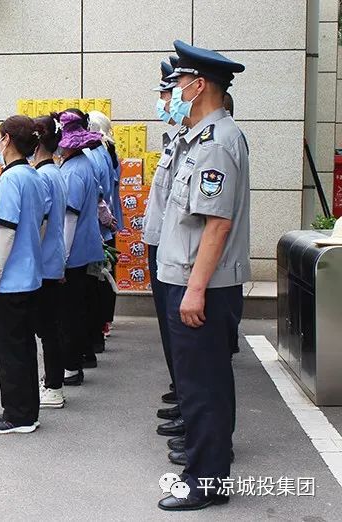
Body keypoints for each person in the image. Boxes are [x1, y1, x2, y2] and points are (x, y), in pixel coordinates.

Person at [155, 40, 248, 512]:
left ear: (201, 85)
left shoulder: (217, 142)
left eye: (179, 82)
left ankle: (206, 482)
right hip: (191, 280)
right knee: (199, 384)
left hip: (203, 285)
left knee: (203, 387)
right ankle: (207, 469)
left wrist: (194, 291)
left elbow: (217, 224)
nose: (174, 90)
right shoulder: (199, 138)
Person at [0, 115, 50, 434]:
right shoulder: (33, 176)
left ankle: (17, 415)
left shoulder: (11, 179)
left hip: (8, 281)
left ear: (6, 139)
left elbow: (6, 230)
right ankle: (27, 411)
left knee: (8, 349)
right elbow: (41, 225)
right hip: (26, 276)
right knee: (22, 347)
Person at [143, 58, 187, 439]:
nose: (162, 102)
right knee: (172, 335)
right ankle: (183, 395)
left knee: (187, 343)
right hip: (162, 246)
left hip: (178, 254)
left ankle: (192, 414)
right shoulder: (178, 139)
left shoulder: (204, 143)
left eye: (167, 93)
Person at [56, 110, 106, 385]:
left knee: (69, 313)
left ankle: (71, 367)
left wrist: (61, 259)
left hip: (73, 253)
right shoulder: (82, 164)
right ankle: (81, 356)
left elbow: (69, 218)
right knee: (79, 307)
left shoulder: (74, 171)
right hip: (84, 248)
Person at [32, 115, 68, 409]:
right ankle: (53, 382)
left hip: (43, 263)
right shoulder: (55, 171)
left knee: (47, 328)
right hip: (53, 258)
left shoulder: (43, 176)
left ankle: (53, 386)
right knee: (51, 326)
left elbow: (40, 224)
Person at [86, 111, 122, 345]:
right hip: (108, 225)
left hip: (99, 226)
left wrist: (105, 218)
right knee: (106, 275)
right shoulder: (108, 152)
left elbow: (98, 196)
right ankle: (105, 321)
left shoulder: (92, 156)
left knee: (98, 279)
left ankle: (99, 326)